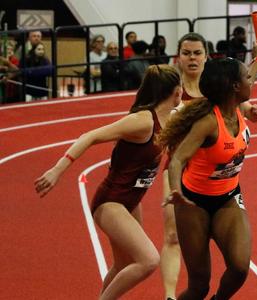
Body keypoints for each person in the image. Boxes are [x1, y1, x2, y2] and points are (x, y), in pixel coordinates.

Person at [34, 64, 182, 300]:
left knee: (124, 265)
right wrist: (57, 170)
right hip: (111, 201)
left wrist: (256, 67)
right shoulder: (143, 121)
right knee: (149, 260)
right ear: (176, 91)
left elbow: (206, 105)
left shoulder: (171, 117)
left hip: (132, 201)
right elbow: (90, 136)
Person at [160, 32, 257, 300]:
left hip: (228, 197)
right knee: (199, 286)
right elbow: (177, 160)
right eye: (245, 79)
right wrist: (175, 192)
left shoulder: (239, 107)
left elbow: (249, 76)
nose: (250, 82)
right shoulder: (207, 121)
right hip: (193, 202)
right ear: (233, 87)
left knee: (240, 267)